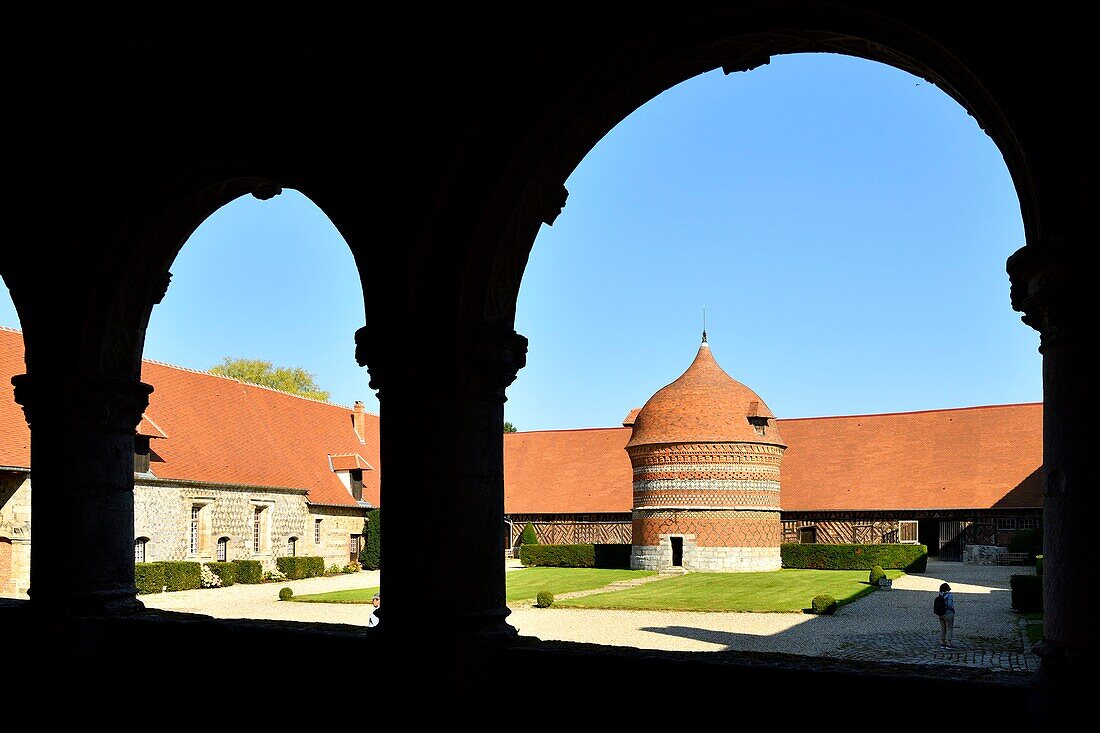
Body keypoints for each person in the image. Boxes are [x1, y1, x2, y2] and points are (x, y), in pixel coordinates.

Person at [936, 582, 956, 648]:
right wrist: (953, 610)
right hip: (948, 613)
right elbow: (950, 604)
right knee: (949, 628)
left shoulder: (940, 595)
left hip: (940, 613)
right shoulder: (949, 595)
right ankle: (948, 642)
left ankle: (942, 641)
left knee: (943, 628)